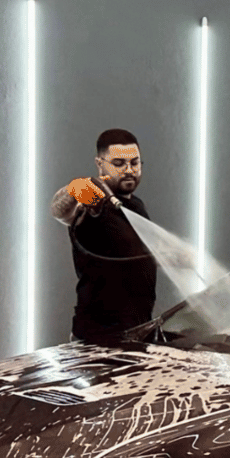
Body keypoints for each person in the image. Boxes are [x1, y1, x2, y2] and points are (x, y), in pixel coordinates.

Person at [50, 129, 157, 341]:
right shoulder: (91, 204)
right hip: (96, 340)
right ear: (100, 164)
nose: (129, 170)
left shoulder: (136, 206)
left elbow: (135, 255)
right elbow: (59, 210)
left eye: (134, 163)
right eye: (118, 163)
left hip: (135, 334)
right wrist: (73, 191)